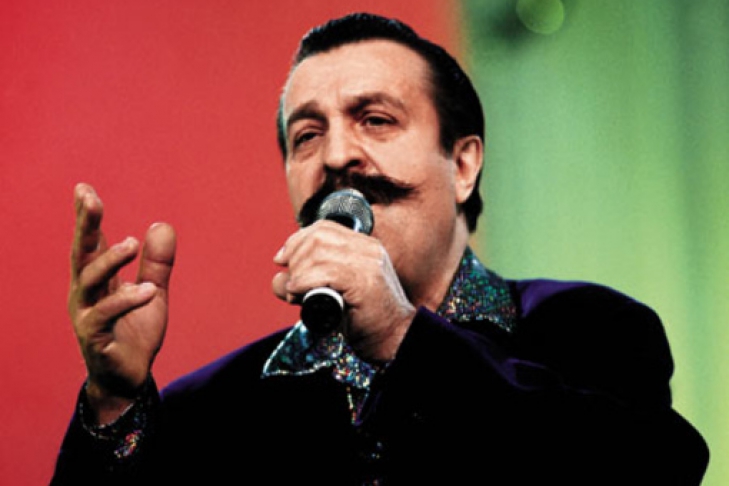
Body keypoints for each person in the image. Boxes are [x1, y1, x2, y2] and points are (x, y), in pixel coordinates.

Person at [50, 12, 709, 485]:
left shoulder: (593, 330)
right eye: (307, 136)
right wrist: (114, 399)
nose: (337, 155)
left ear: (462, 165)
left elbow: (650, 467)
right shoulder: (208, 408)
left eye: (375, 120)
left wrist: (400, 335)